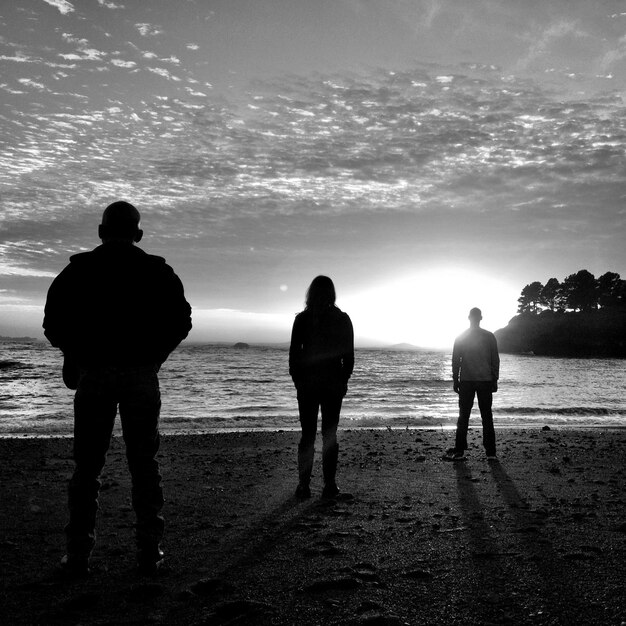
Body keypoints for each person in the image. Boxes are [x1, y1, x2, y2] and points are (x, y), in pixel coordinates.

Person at [43, 201, 192, 575]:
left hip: (94, 376)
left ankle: (78, 555)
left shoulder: (78, 271)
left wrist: (77, 355)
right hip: (140, 375)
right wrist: (155, 357)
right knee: (143, 464)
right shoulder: (157, 271)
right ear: (138, 234)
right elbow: (182, 321)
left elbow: (52, 323)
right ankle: (148, 551)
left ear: (100, 231)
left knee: (88, 469)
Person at [289, 276, 354, 499]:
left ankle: (304, 485)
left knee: (308, 435)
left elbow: (294, 356)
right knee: (330, 435)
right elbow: (349, 357)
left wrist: (298, 381)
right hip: (332, 384)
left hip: (308, 385)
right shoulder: (342, 319)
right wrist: (343, 381)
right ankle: (329, 484)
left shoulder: (302, 319)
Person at [444, 307, 500, 462]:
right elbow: (495, 359)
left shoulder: (461, 337)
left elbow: (456, 361)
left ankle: (460, 451)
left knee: (464, 416)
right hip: (485, 380)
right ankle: (491, 453)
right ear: (480, 318)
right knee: (486, 416)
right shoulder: (489, 336)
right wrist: (494, 379)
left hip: (467, 381)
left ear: (469, 318)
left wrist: (456, 380)